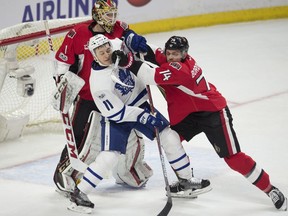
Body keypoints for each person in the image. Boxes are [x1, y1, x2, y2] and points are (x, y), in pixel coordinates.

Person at [112, 35, 288, 211]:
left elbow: (149, 76)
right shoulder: (173, 59)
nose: (171, 57)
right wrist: (131, 36)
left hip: (212, 112)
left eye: (175, 54)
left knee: (233, 158)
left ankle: (270, 189)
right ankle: (186, 181)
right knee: (169, 138)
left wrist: (127, 61)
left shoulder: (181, 69)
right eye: (169, 53)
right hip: (188, 115)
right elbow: (152, 51)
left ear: (184, 54)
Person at [66, 34, 211, 213]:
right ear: (94, 56)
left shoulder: (117, 46)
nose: (106, 54)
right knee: (109, 156)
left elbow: (131, 41)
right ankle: (79, 193)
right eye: (101, 53)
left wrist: (138, 42)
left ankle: (186, 180)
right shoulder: (99, 83)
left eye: (108, 49)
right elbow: (117, 113)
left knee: (169, 136)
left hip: (139, 105)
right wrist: (143, 116)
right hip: (117, 118)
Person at [53, 0, 153, 194]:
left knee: (128, 135)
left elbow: (132, 48)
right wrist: (63, 85)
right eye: (108, 15)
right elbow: (61, 63)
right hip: (88, 96)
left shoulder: (120, 29)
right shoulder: (78, 33)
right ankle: (64, 174)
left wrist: (136, 42)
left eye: (114, 14)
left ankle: (128, 171)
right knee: (79, 138)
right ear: (98, 15)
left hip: (117, 96)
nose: (112, 19)